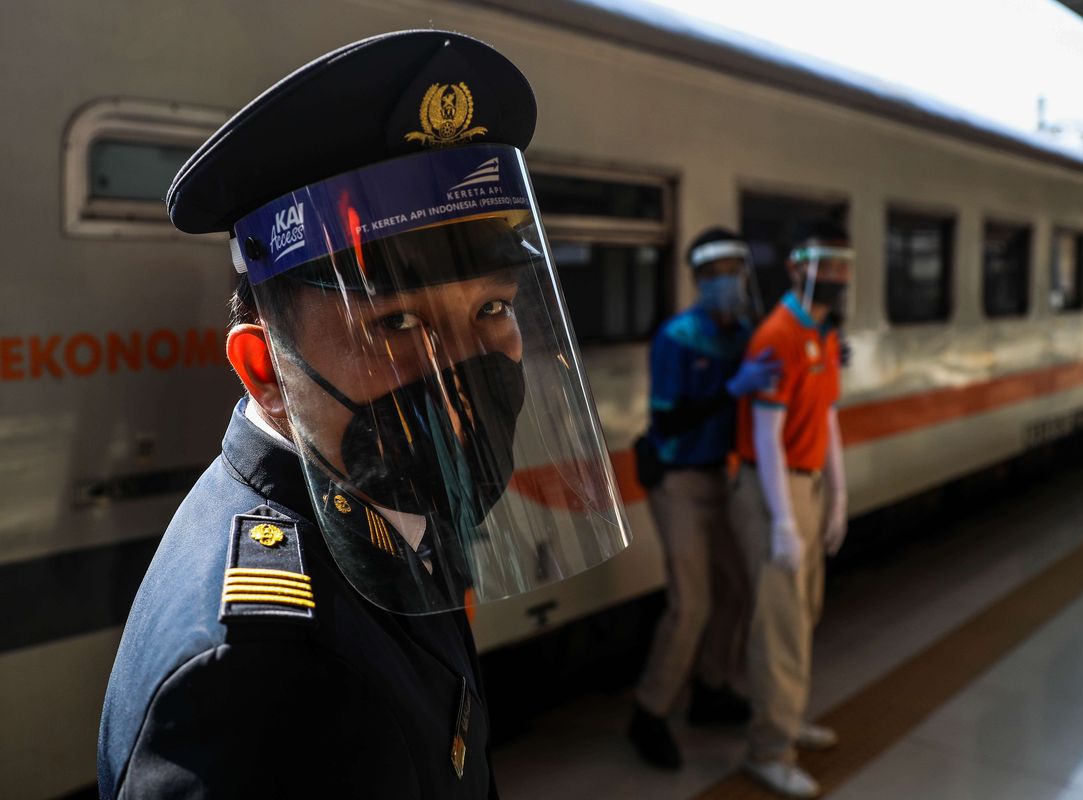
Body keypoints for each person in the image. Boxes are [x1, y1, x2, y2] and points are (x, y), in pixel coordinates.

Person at [97, 31, 632, 799]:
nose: (462, 377)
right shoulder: (268, 674)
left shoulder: (376, 515)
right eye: (398, 326)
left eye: (492, 307)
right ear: (266, 371)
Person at [628, 228, 780, 769]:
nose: (727, 283)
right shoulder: (677, 337)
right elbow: (668, 418)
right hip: (680, 482)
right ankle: (650, 711)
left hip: (723, 478)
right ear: (698, 280)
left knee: (737, 590)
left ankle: (713, 686)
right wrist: (731, 389)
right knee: (691, 603)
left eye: (734, 271)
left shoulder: (744, 332)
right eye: (715, 275)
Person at [731, 221, 853, 798]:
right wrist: (783, 519)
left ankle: (789, 715)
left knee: (803, 612)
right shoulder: (777, 335)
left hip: (807, 488)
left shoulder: (823, 332)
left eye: (841, 269)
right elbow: (766, 432)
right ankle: (769, 748)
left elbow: (827, 415)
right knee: (779, 624)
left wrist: (838, 494)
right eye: (824, 268)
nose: (834, 280)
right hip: (770, 489)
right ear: (797, 269)